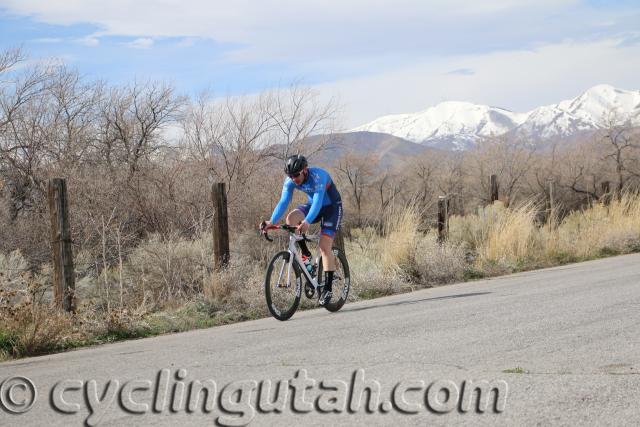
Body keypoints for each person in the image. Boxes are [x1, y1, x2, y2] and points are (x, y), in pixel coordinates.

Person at [260, 154, 343, 305]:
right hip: (313, 206)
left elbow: (318, 202)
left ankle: (328, 288)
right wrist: (271, 221)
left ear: (305, 170)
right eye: (290, 176)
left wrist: (307, 221)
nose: (293, 179)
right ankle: (306, 255)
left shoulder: (319, 176)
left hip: (332, 208)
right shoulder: (290, 181)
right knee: (291, 219)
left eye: (296, 175)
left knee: (324, 247)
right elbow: (284, 201)